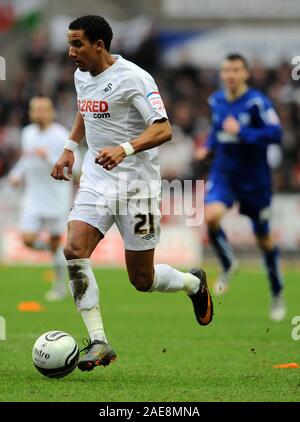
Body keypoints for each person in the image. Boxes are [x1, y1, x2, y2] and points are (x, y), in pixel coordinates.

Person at [51, 15, 213, 372]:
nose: (71, 51)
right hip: (96, 179)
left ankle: (192, 283)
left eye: (77, 44)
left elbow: (164, 128)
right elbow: (85, 108)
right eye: (69, 43)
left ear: (99, 45)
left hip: (137, 186)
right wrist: (68, 146)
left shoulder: (134, 78)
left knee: (142, 279)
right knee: (74, 249)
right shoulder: (82, 76)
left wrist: (124, 148)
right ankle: (98, 341)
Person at [198, 53, 286, 321]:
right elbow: (216, 130)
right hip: (224, 174)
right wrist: (208, 147)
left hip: (254, 181)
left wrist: (243, 132)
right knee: (210, 217)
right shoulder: (217, 100)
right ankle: (228, 264)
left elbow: (276, 133)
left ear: (246, 74)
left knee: (264, 239)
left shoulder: (257, 103)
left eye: (236, 70)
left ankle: (277, 293)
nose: (231, 75)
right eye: (226, 70)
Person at [9, 96, 75, 301]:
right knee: (27, 239)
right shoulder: (27, 133)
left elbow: (75, 167)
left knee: (56, 240)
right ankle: (54, 254)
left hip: (56, 198)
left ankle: (58, 287)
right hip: (33, 198)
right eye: (34, 109)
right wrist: (17, 173)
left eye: (42, 109)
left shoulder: (61, 135)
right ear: (30, 112)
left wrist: (47, 157)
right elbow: (27, 158)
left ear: (51, 112)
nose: (38, 113)